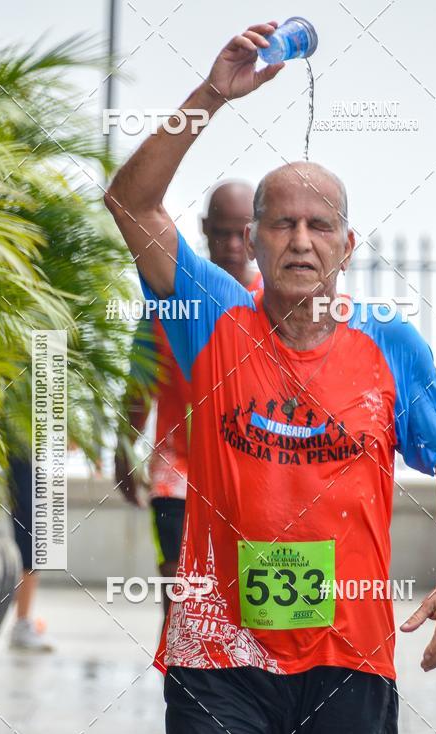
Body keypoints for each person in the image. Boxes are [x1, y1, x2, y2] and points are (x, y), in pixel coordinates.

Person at [105, 22, 436, 734]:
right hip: (217, 652)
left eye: (320, 225)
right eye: (283, 223)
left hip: (346, 655)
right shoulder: (210, 317)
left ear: (348, 246)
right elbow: (130, 202)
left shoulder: (388, 345)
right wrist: (212, 95)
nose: (300, 239)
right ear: (257, 242)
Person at [115, 181, 262, 621]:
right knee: (178, 579)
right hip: (175, 472)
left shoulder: (273, 305)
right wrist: (124, 448)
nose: (233, 245)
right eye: (222, 233)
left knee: (240, 587)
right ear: (204, 228)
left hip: (250, 473)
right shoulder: (167, 301)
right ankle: (180, 675)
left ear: (256, 235)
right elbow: (140, 380)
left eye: (242, 233)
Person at [8, 454, 54, 651]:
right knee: (30, 529)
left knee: (31, 530)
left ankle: (23, 622)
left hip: (21, 449)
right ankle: (22, 623)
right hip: (15, 445)